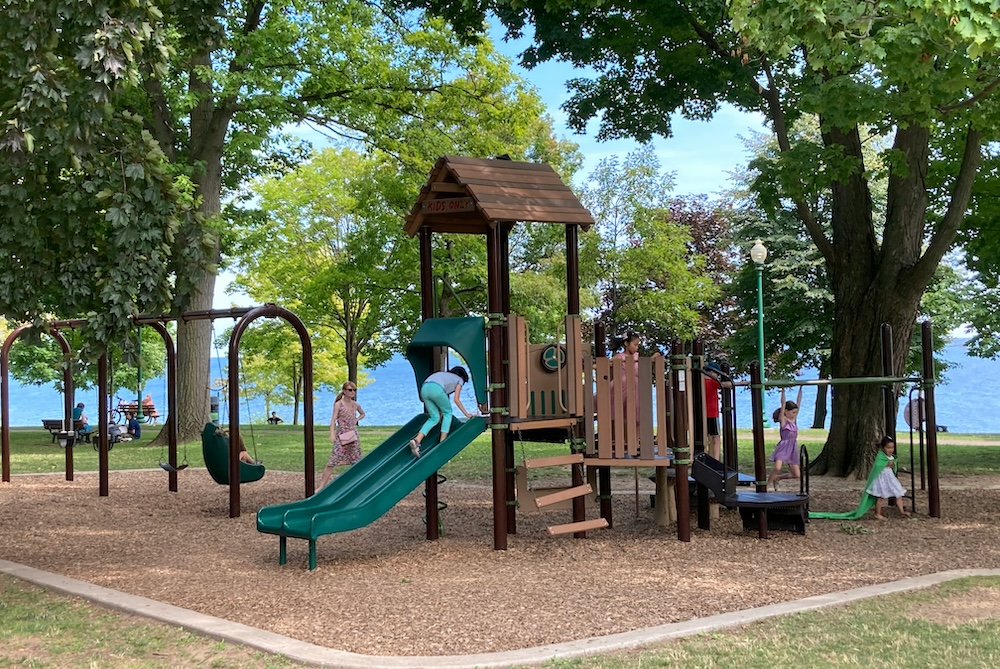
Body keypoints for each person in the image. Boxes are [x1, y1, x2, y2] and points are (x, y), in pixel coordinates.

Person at [811, 436, 912, 520]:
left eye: (892, 448)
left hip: (890, 478)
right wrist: (886, 464)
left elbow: (892, 464)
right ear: (882, 448)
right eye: (888, 448)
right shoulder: (880, 456)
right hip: (881, 479)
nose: (890, 450)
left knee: (898, 493)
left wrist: (892, 464)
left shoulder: (892, 457)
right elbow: (878, 465)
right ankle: (877, 513)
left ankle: (901, 511)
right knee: (881, 496)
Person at [408, 366, 474, 458]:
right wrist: (467, 414)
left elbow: (441, 396)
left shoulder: (444, 375)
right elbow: (456, 399)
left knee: (434, 418)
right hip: (437, 389)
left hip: (424, 388)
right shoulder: (460, 380)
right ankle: (442, 442)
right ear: (462, 376)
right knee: (448, 413)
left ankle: (417, 440)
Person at [319, 382, 366, 487]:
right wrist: (332, 434)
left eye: (354, 390)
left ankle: (357, 484)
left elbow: (363, 413)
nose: (352, 392)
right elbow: (333, 420)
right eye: (350, 390)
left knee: (356, 460)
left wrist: (356, 419)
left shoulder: (355, 404)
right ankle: (321, 486)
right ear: (344, 391)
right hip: (341, 435)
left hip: (353, 435)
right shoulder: (338, 405)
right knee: (332, 461)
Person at [766, 385, 804, 491]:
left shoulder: (794, 420)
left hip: (792, 447)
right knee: (777, 467)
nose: (795, 414)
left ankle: (777, 479)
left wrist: (801, 389)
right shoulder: (783, 420)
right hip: (784, 446)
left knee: (796, 474)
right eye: (793, 412)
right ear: (786, 412)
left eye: (796, 412)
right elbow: (783, 403)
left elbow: (799, 402)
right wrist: (783, 391)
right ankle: (766, 485)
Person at [703, 361, 723, 459]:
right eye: (717, 374)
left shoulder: (699, 382)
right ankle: (716, 459)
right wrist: (743, 382)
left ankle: (706, 458)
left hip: (702, 414)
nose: (717, 376)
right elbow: (726, 385)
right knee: (716, 438)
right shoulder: (711, 382)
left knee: (705, 438)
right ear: (711, 372)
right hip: (712, 414)